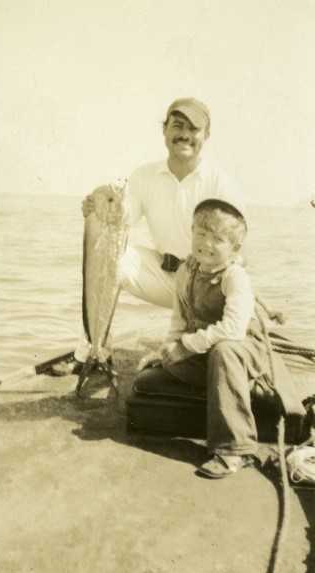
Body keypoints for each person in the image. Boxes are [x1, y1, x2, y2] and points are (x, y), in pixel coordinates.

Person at [54, 97, 270, 375]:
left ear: (206, 135)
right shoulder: (144, 175)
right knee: (111, 256)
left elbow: (241, 251)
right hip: (166, 277)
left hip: (207, 285)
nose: (184, 135)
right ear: (164, 130)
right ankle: (94, 350)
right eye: (177, 125)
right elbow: (120, 222)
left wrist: (239, 299)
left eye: (194, 129)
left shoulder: (221, 182)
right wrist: (97, 212)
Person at [133, 198, 305, 479]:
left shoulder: (235, 277)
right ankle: (226, 385)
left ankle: (235, 450)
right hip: (206, 347)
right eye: (200, 233)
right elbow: (180, 319)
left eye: (218, 239)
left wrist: (186, 346)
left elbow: (233, 330)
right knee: (170, 361)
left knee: (224, 353)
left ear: (234, 248)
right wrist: (168, 349)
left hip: (242, 348)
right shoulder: (186, 271)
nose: (206, 244)